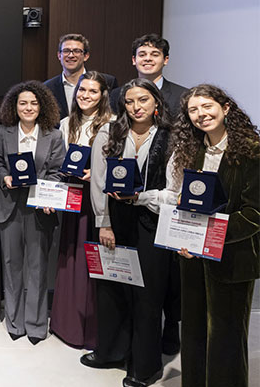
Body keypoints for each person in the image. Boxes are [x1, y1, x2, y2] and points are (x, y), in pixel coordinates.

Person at [160, 85, 259, 387]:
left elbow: (254, 214)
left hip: (233, 259)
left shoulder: (253, 151)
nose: (201, 115)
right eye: (193, 110)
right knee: (193, 333)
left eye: (207, 107)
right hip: (191, 258)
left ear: (226, 107)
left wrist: (206, 237)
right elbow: (186, 201)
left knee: (226, 339)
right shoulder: (191, 150)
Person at [82, 78, 173, 387]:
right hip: (114, 220)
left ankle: (145, 366)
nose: (137, 107)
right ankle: (110, 351)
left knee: (148, 295)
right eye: (131, 101)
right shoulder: (109, 132)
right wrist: (103, 222)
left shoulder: (170, 137)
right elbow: (98, 180)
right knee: (111, 288)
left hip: (153, 222)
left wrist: (143, 199)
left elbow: (172, 189)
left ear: (156, 103)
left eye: (143, 100)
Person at [109, 33, 186, 355]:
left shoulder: (180, 98)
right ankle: (130, 350)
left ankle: (163, 343)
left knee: (162, 287)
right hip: (123, 216)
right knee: (128, 286)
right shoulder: (116, 107)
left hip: (161, 215)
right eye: (142, 54)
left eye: (155, 54)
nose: (136, 106)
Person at [0, 80, 65, 345]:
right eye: (23, 102)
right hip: (9, 206)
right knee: (12, 266)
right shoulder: (3, 132)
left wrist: (49, 193)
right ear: (15, 105)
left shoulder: (53, 135)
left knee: (37, 267)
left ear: (42, 106)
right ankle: (14, 321)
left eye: (34, 103)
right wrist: (5, 178)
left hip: (39, 208)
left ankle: (35, 325)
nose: (28, 107)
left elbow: (58, 171)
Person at [49, 71, 114, 349]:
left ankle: (93, 331)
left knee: (95, 262)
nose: (86, 95)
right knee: (71, 258)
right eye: (82, 90)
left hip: (98, 200)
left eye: (93, 91)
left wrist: (97, 174)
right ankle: (68, 325)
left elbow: (119, 165)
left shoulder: (112, 124)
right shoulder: (66, 123)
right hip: (73, 197)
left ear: (103, 96)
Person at [111, 34, 187, 118]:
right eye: (142, 55)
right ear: (134, 60)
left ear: (165, 60)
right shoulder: (117, 94)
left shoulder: (182, 95)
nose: (148, 59)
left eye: (155, 55)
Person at [45, 34, 118, 120]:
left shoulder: (108, 81)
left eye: (76, 51)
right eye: (66, 51)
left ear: (86, 56)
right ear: (59, 55)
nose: (71, 55)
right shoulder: (47, 88)